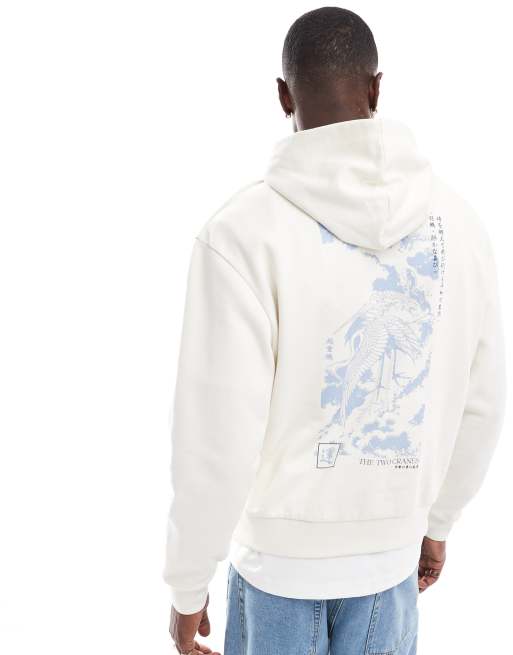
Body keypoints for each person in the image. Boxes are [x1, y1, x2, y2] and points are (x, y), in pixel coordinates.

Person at [164, 7, 506, 655]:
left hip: (278, 568)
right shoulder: (460, 223)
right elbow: (482, 398)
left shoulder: (240, 233)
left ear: (283, 95)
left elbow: (216, 433)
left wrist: (188, 584)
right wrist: (437, 520)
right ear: (376, 88)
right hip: (391, 564)